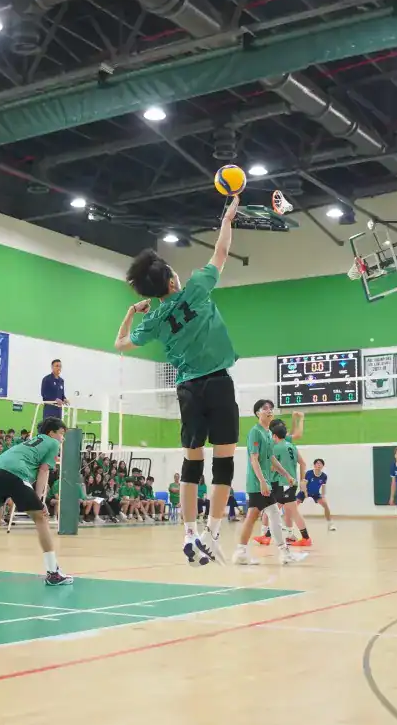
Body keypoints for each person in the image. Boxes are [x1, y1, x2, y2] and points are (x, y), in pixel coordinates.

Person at [115, 194, 242, 565]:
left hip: (187, 390)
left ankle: (188, 535)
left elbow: (120, 343)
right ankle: (212, 533)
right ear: (172, 279)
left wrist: (129, 312)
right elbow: (221, 251)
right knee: (224, 463)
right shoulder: (198, 288)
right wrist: (228, 219)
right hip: (218, 383)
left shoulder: (152, 320)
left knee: (192, 464)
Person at [0, 417, 74, 586]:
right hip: (14, 473)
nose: (63, 438)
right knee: (41, 518)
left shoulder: (29, 442)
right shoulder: (53, 443)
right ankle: (53, 572)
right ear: (51, 433)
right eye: (62, 433)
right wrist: (40, 500)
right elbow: (44, 471)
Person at [232, 399, 306, 566]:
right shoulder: (255, 433)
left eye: (271, 408)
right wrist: (263, 482)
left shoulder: (267, 433)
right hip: (258, 483)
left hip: (263, 483)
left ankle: (243, 552)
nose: (269, 410)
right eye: (265, 408)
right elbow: (254, 459)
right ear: (258, 413)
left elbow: (271, 458)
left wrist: (286, 474)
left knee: (263, 515)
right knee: (266, 515)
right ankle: (280, 553)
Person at [303, 457, 336, 532]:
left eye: (320, 464)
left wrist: (323, 496)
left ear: (322, 466)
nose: (318, 465)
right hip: (306, 491)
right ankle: (288, 524)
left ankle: (330, 523)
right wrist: (305, 493)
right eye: (317, 463)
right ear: (314, 465)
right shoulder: (309, 473)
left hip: (316, 494)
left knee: (325, 505)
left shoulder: (324, 476)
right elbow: (304, 483)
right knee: (294, 504)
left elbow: (323, 487)